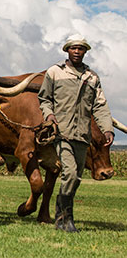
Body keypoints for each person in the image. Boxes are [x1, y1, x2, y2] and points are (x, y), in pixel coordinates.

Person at [38, 34, 114, 233]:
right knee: (70, 173)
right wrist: (49, 116)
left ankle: (61, 216)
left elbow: (100, 105)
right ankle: (66, 219)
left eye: (81, 48)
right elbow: (44, 99)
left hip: (82, 135)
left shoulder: (92, 77)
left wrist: (107, 128)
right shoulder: (54, 72)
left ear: (85, 51)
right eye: (74, 48)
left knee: (76, 178)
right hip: (61, 133)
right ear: (67, 51)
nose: (77, 51)